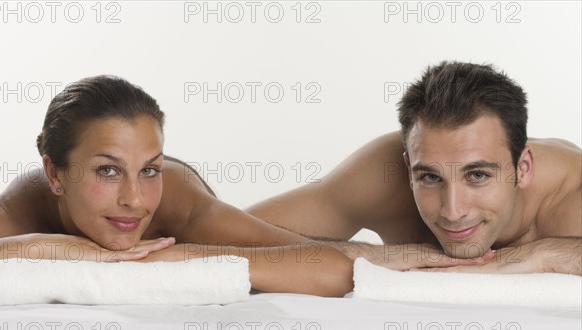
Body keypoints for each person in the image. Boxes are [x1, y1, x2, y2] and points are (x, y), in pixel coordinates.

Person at [0, 75, 358, 296]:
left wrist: (182, 256)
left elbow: (333, 270)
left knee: (351, 250)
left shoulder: (178, 206)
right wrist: (52, 247)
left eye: (149, 170)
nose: (134, 200)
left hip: (209, 222)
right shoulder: (18, 211)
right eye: (107, 171)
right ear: (54, 175)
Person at [248, 61, 582, 275]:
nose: (453, 211)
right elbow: (218, 234)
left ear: (523, 168)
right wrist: (366, 256)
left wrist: (543, 254)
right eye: (430, 177)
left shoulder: (572, 197)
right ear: (409, 169)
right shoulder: (383, 172)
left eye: (477, 175)